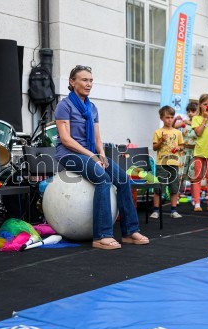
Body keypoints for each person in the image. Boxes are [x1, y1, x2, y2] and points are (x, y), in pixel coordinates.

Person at [55, 65, 149, 250]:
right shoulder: (64, 106)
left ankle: (130, 231)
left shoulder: (92, 108)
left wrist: (102, 155)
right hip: (69, 155)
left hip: (92, 154)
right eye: (84, 80)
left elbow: (98, 137)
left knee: (123, 179)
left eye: (90, 80)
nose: (88, 84)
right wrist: (92, 156)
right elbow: (66, 139)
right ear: (72, 82)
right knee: (103, 180)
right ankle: (101, 236)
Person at [151, 105, 184, 218]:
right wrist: (161, 141)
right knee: (159, 187)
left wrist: (179, 148)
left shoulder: (177, 132)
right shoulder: (158, 132)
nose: (169, 120)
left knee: (174, 187)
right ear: (162, 118)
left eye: (171, 117)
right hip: (162, 164)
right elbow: (155, 147)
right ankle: (156, 210)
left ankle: (173, 210)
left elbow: (181, 146)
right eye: (167, 117)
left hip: (174, 163)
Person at [179, 102, 198, 194]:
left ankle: (194, 198)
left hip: (195, 151)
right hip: (184, 151)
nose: (190, 113)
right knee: (181, 174)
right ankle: (177, 195)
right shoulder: (184, 122)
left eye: (193, 111)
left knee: (193, 175)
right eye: (189, 111)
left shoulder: (199, 124)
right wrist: (175, 119)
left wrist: (190, 123)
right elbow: (174, 126)